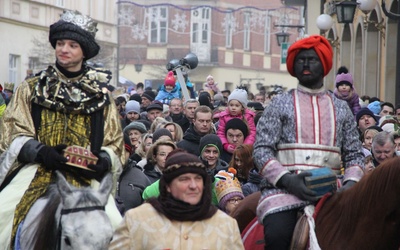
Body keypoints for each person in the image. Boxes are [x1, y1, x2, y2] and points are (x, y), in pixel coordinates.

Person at [0, 10, 124, 248]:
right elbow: (12, 133)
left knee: (118, 229)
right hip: (37, 172)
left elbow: (114, 142)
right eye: (60, 43)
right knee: (2, 217)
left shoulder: (101, 95)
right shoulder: (31, 88)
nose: (64, 49)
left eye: (72, 45)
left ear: (83, 51)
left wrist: (103, 161)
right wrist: (41, 152)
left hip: (86, 178)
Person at [254, 35, 364, 250]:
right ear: (293, 66)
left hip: (333, 192)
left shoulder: (341, 108)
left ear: (323, 66)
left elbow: (354, 154)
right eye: (300, 60)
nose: (305, 64)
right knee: (278, 236)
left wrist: (350, 185)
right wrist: (288, 181)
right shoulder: (279, 103)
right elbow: (261, 151)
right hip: (284, 192)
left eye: (312, 59)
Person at [109, 150, 244, 249]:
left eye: (198, 179)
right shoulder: (137, 220)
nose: (193, 186)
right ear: (167, 186)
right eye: (184, 179)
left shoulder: (225, 225)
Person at [217, 88, 256, 154]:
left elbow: (252, 134)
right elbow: (221, 133)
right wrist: (226, 145)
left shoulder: (248, 116)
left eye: (237, 105)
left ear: (242, 107)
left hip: (244, 149)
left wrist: (245, 146)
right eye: (231, 105)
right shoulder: (224, 116)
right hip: (228, 148)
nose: (233, 108)